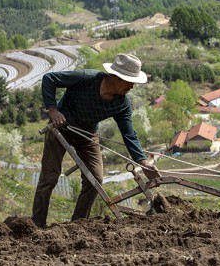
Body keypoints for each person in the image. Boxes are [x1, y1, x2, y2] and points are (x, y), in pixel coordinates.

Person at [31, 53, 160, 227]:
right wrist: (52, 109)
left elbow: (129, 134)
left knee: (95, 179)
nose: (132, 86)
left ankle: (77, 224)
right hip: (60, 129)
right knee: (50, 177)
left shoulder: (122, 104)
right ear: (116, 77)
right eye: (129, 81)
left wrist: (143, 162)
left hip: (87, 136)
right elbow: (49, 78)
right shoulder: (87, 78)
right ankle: (37, 224)